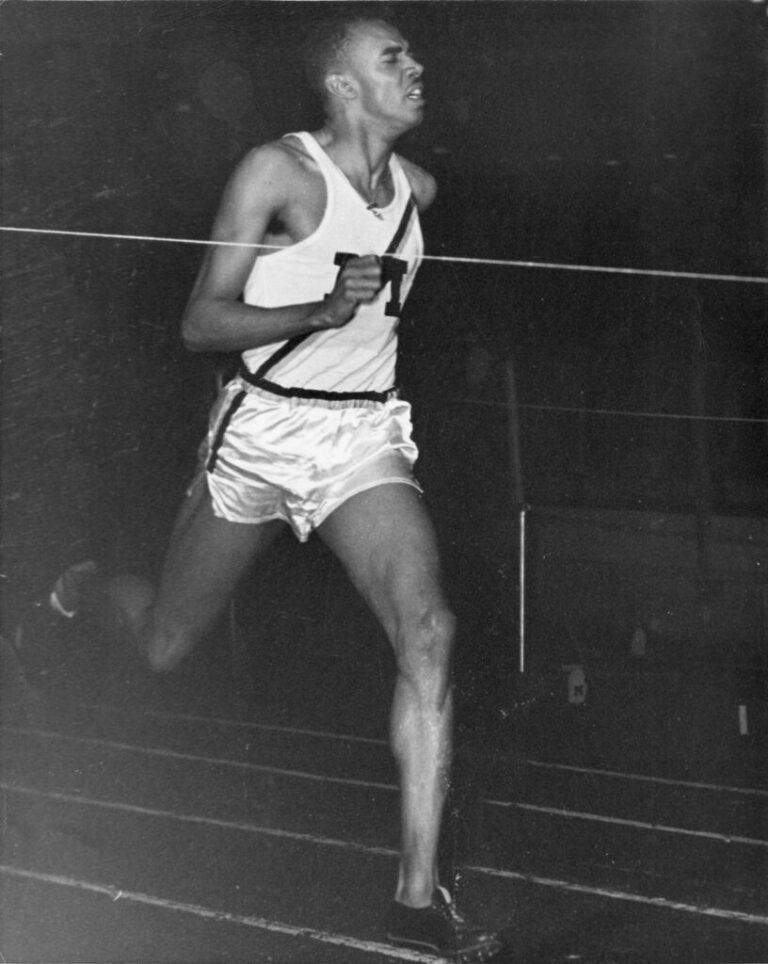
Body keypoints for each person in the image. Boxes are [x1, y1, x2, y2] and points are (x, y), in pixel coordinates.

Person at [49, 14, 503, 961]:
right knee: (166, 642)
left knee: (430, 630)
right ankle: (80, 588)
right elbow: (200, 324)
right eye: (394, 59)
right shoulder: (278, 173)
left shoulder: (420, 191)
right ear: (342, 84)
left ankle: (414, 900)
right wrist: (318, 305)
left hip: (361, 436)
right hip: (261, 431)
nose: (417, 69)